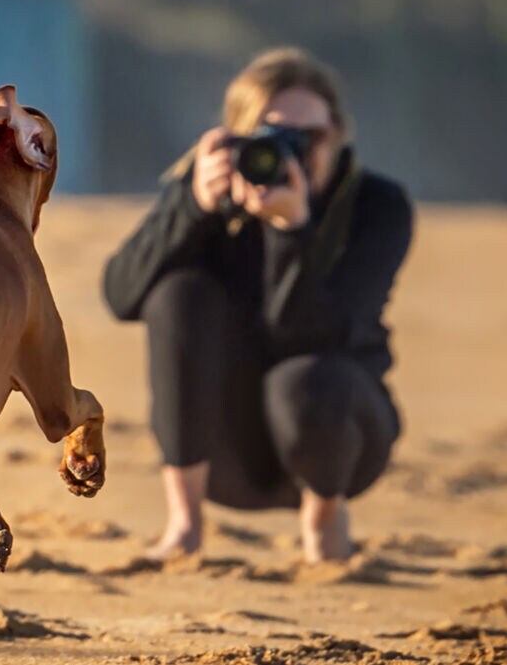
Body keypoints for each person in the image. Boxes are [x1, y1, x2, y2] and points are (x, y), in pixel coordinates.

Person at [102, 47, 413, 564]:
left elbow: (313, 336)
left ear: (337, 132)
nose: (293, 152)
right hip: (226, 453)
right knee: (179, 293)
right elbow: (119, 296)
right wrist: (192, 207)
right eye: (272, 138)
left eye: (308, 137)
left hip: (340, 435)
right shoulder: (210, 190)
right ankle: (184, 521)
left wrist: (292, 231)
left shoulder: (377, 207)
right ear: (239, 138)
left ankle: (324, 516)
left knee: (306, 379)